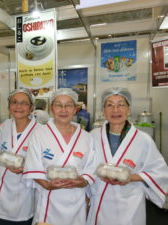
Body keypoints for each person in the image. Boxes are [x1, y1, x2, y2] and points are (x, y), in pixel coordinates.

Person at [86, 87, 168, 225]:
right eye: (110, 105)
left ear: (129, 110)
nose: (115, 110)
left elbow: (160, 172)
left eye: (121, 105)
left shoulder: (143, 139)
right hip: (99, 202)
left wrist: (131, 177)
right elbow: (85, 167)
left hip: (129, 204)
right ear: (103, 111)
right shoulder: (92, 136)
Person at [23, 88, 94, 225]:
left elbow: (92, 167)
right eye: (58, 105)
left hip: (76, 199)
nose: (63, 110)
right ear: (51, 109)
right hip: (48, 200)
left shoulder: (86, 137)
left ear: (75, 109)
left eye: (68, 105)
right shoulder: (39, 134)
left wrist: (83, 181)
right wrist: (47, 185)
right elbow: (32, 165)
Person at [0, 88, 38, 225]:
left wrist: (26, 166)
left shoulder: (40, 131)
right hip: (2, 193)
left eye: (24, 103)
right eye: (14, 102)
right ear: (9, 106)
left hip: (25, 194)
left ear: (31, 108)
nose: (18, 106)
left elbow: (44, 161)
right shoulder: (4, 127)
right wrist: (7, 163)